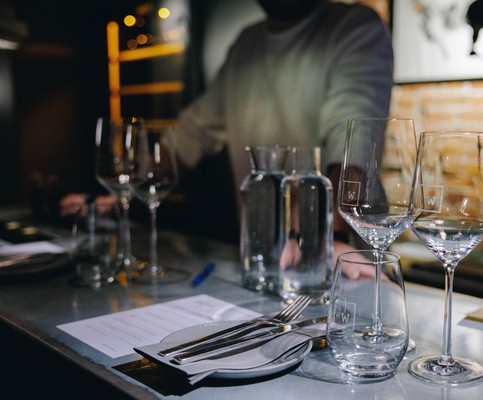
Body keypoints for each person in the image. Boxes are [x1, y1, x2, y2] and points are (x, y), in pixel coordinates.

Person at [62, 0, 394, 279]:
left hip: (342, 259)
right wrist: (124, 193)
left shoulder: (354, 26)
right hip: (263, 256)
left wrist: (329, 234)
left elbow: (353, 139)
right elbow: (189, 135)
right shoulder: (246, 44)